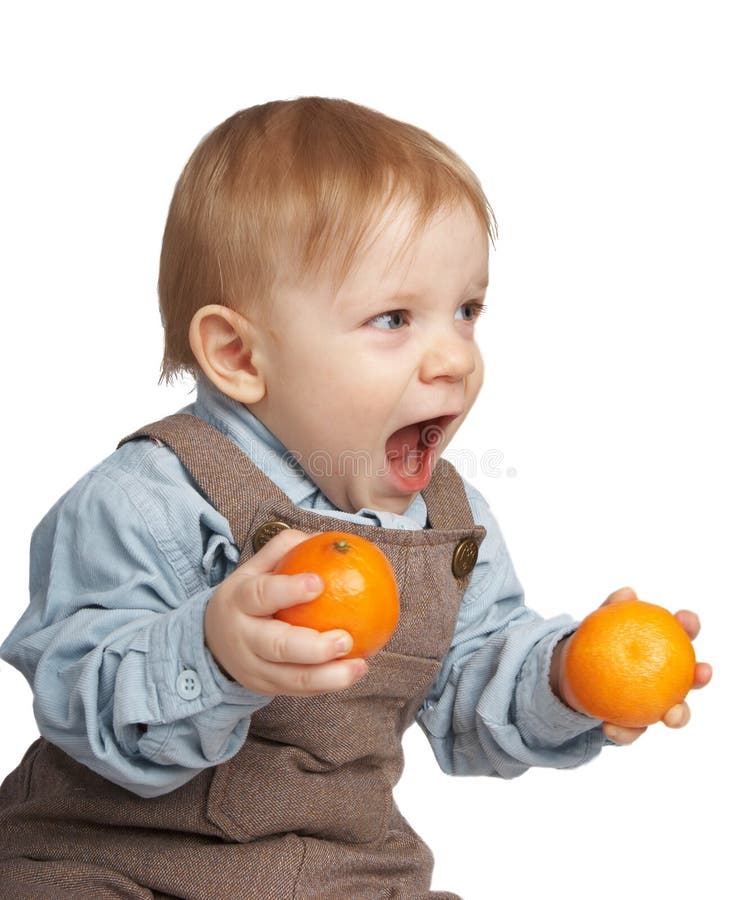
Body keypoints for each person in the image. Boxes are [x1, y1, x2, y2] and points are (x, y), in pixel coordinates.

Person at [0, 97, 710, 899]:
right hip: (115, 863)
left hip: (345, 876)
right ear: (237, 354)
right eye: (393, 318)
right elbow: (78, 697)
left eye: (466, 311)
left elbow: (471, 692)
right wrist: (213, 651)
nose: (452, 358)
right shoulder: (145, 499)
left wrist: (567, 682)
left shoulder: (450, 521)